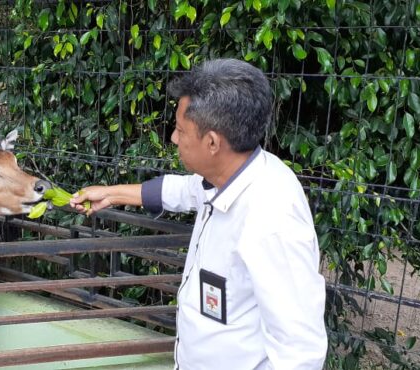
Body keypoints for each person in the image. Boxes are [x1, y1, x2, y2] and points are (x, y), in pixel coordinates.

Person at [69, 59, 328, 369]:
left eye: (180, 130)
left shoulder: (272, 220)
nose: (174, 139)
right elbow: (184, 190)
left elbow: (300, 354)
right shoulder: (232, 174)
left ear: (212, 142)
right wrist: (112, 194)